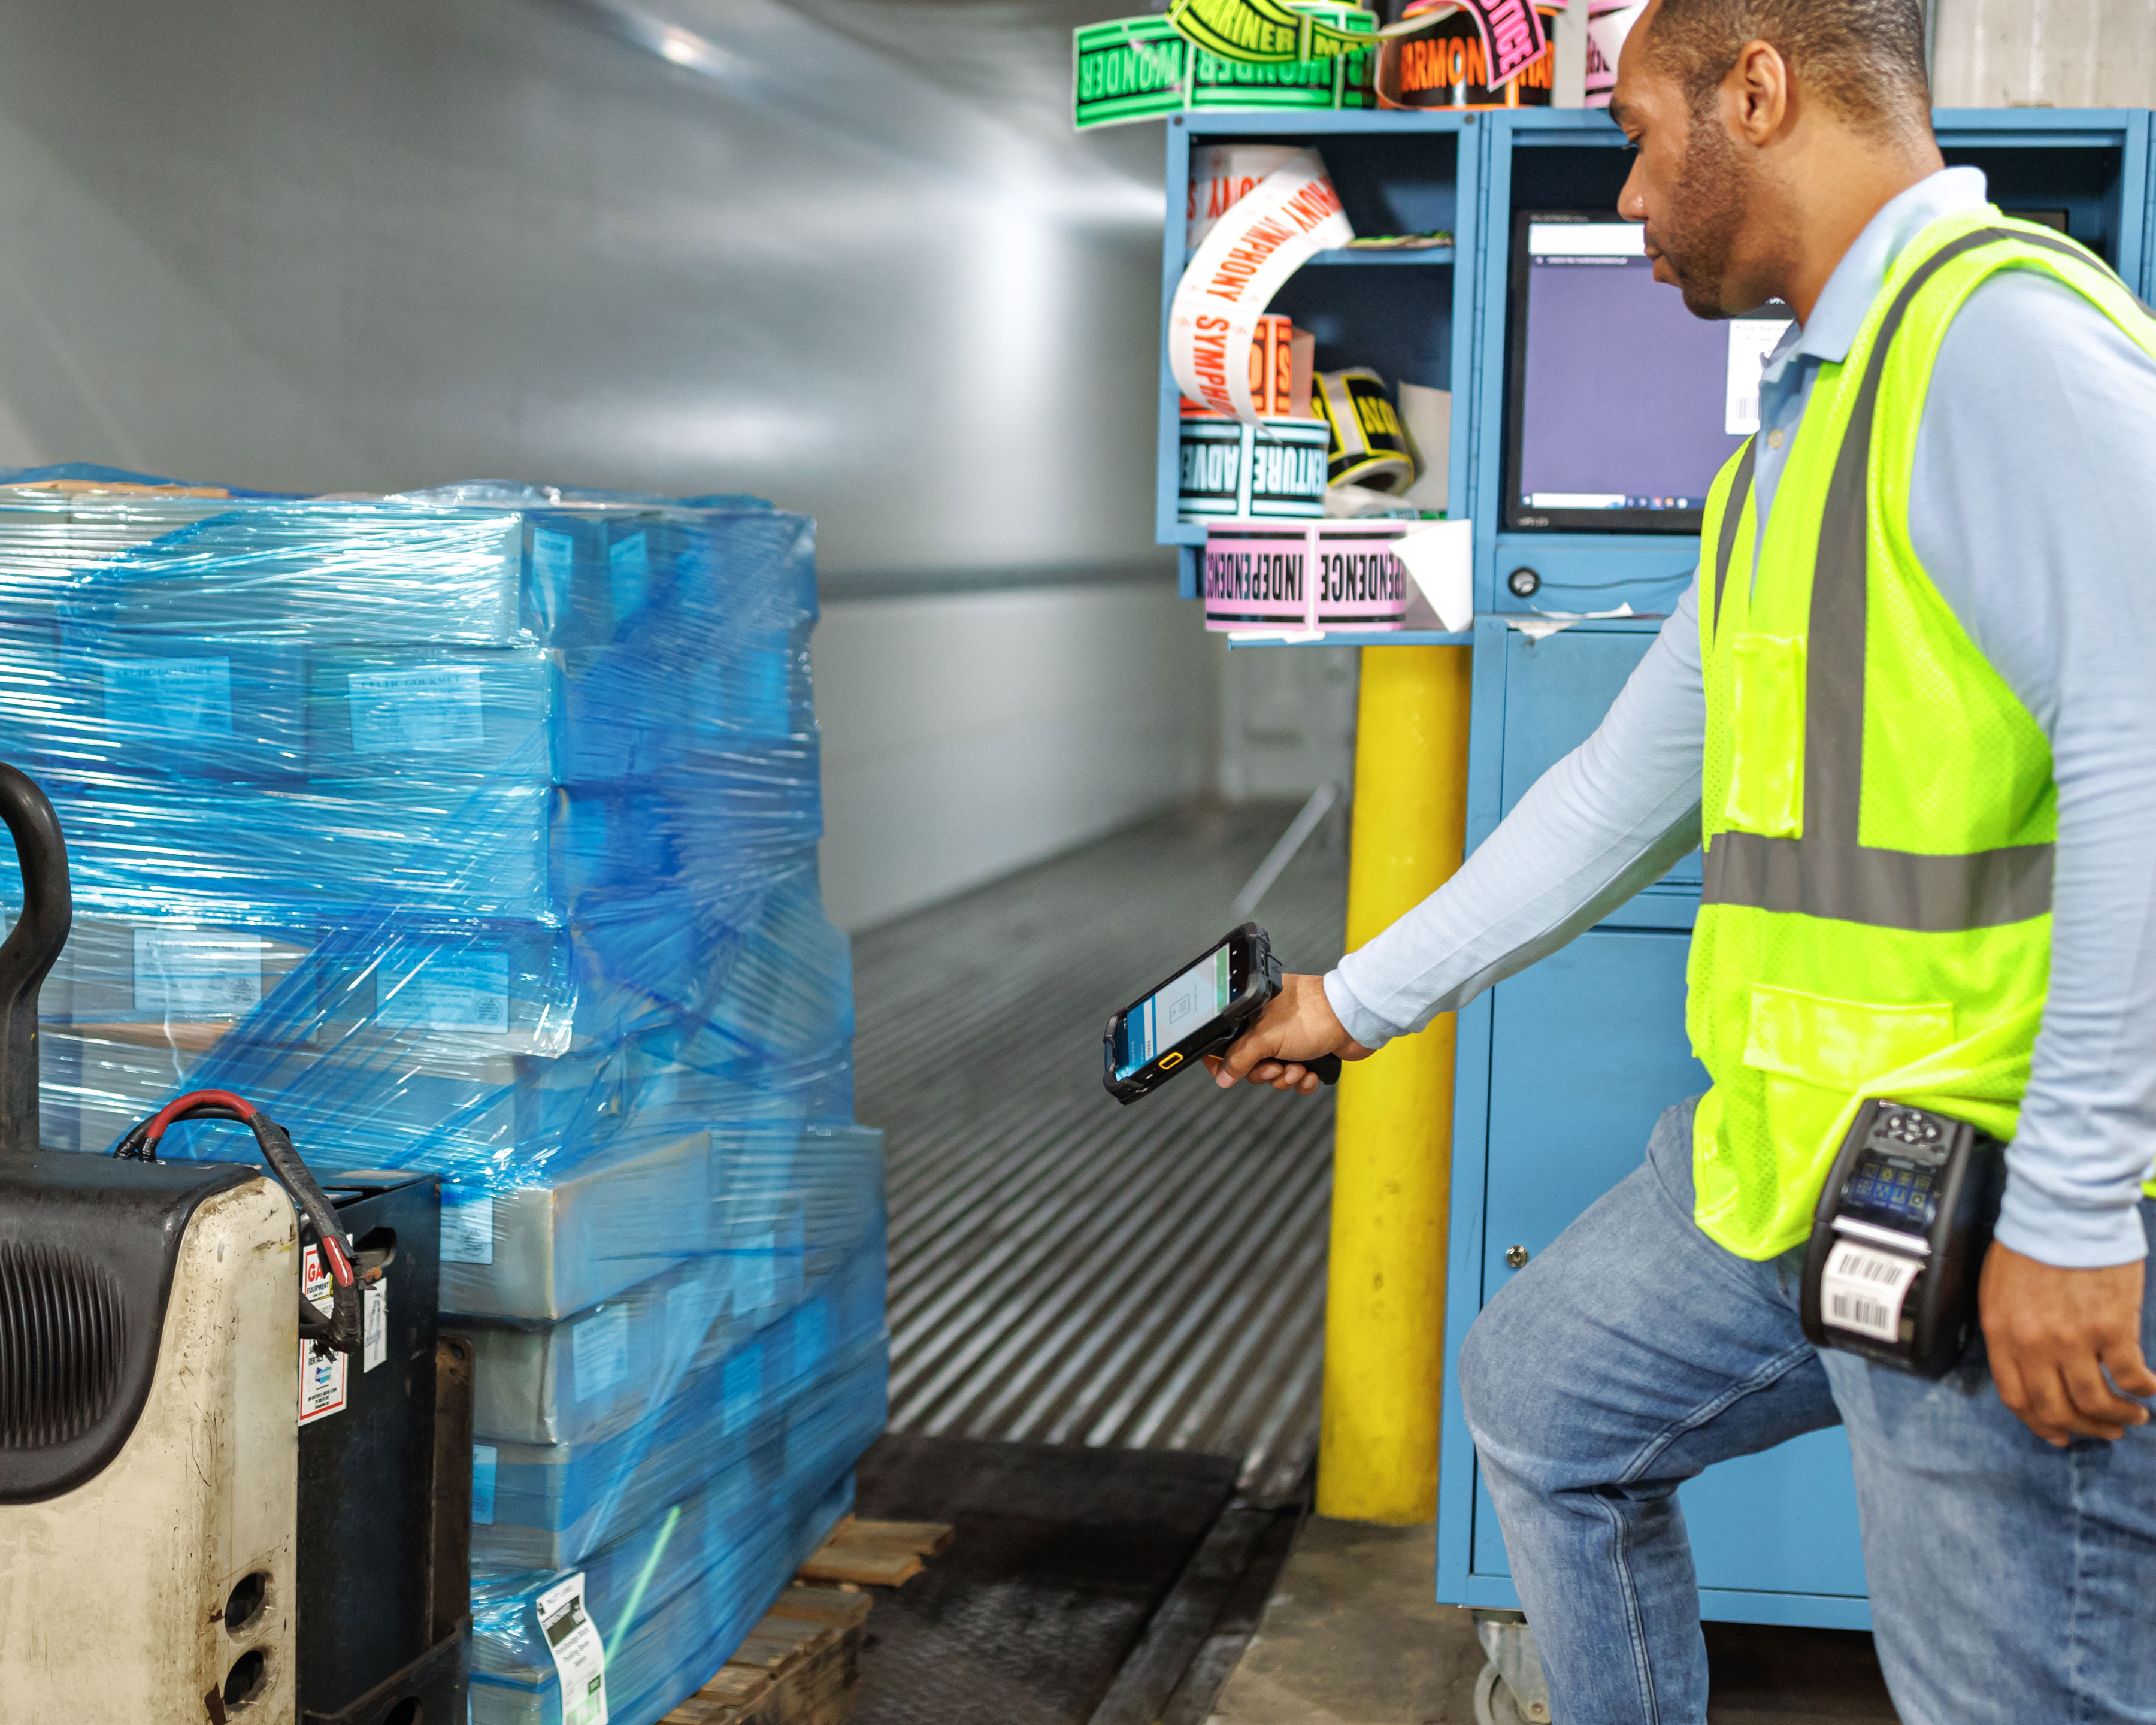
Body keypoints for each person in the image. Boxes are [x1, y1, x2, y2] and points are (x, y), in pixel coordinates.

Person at [1203, 1, 2156, 1718]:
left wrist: (2082, 1214)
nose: (1629, 197)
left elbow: (2147, 763)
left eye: (1640, 136)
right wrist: (1353, 1001)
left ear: (1762, 91)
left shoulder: (2001, 351)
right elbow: (1611, 791)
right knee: (1541, 1401)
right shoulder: (1796, 438)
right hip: (1796, 1168)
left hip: (1995, 1200)